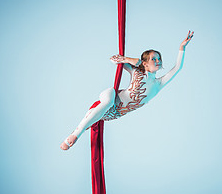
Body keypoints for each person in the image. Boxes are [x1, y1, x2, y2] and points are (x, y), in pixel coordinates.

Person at [60, 30, 194, 150]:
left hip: (111, 114)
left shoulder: (158, 83)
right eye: (154, 59)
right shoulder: (136, 71)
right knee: (108, 99)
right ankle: (74, 135)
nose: (158, 61)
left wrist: (182, 48)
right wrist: (127, 59)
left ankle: (78, 131)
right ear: (145, 63)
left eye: (159, 58)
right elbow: (114, 60)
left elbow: (177, 68)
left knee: (94, 116)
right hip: (109, 97)